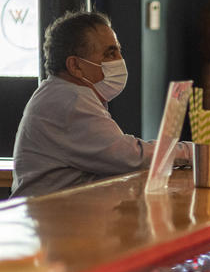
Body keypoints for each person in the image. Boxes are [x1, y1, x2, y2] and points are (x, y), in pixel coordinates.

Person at [11, 10, 191, 198]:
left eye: (119, 51)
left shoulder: (59, 91)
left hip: (60, 214)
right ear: (75, 66)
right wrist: (192, 152)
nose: (120, 61)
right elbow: (129, 156)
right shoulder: (70, 100)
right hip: (51, 219)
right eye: (110, 54)